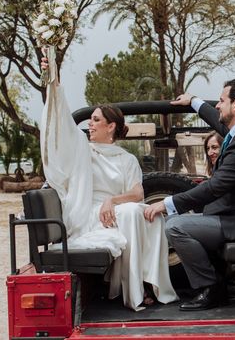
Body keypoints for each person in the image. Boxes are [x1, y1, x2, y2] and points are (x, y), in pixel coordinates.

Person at [40, 59, 178, 311]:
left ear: (111, 126)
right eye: (89, 120)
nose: (89, 125)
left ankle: (142, 282)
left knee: (148, 214)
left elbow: (137, 193)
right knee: (130, 212)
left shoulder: (127, 159)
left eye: (95, 120)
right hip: (88, 214)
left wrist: (112, 200)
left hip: (115, 210)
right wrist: (54, 82)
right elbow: (61, 125)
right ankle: (132, 289)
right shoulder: (82, 152)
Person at [144, 79, 235, 311]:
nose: (217, 105)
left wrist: (167, 202)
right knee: (176, 221)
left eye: (221, 100)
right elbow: (216, 119)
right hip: (234, 215)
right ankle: (212, 283)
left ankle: (211, 288)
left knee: (175, 226)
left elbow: (215, 187)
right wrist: (193, 102)